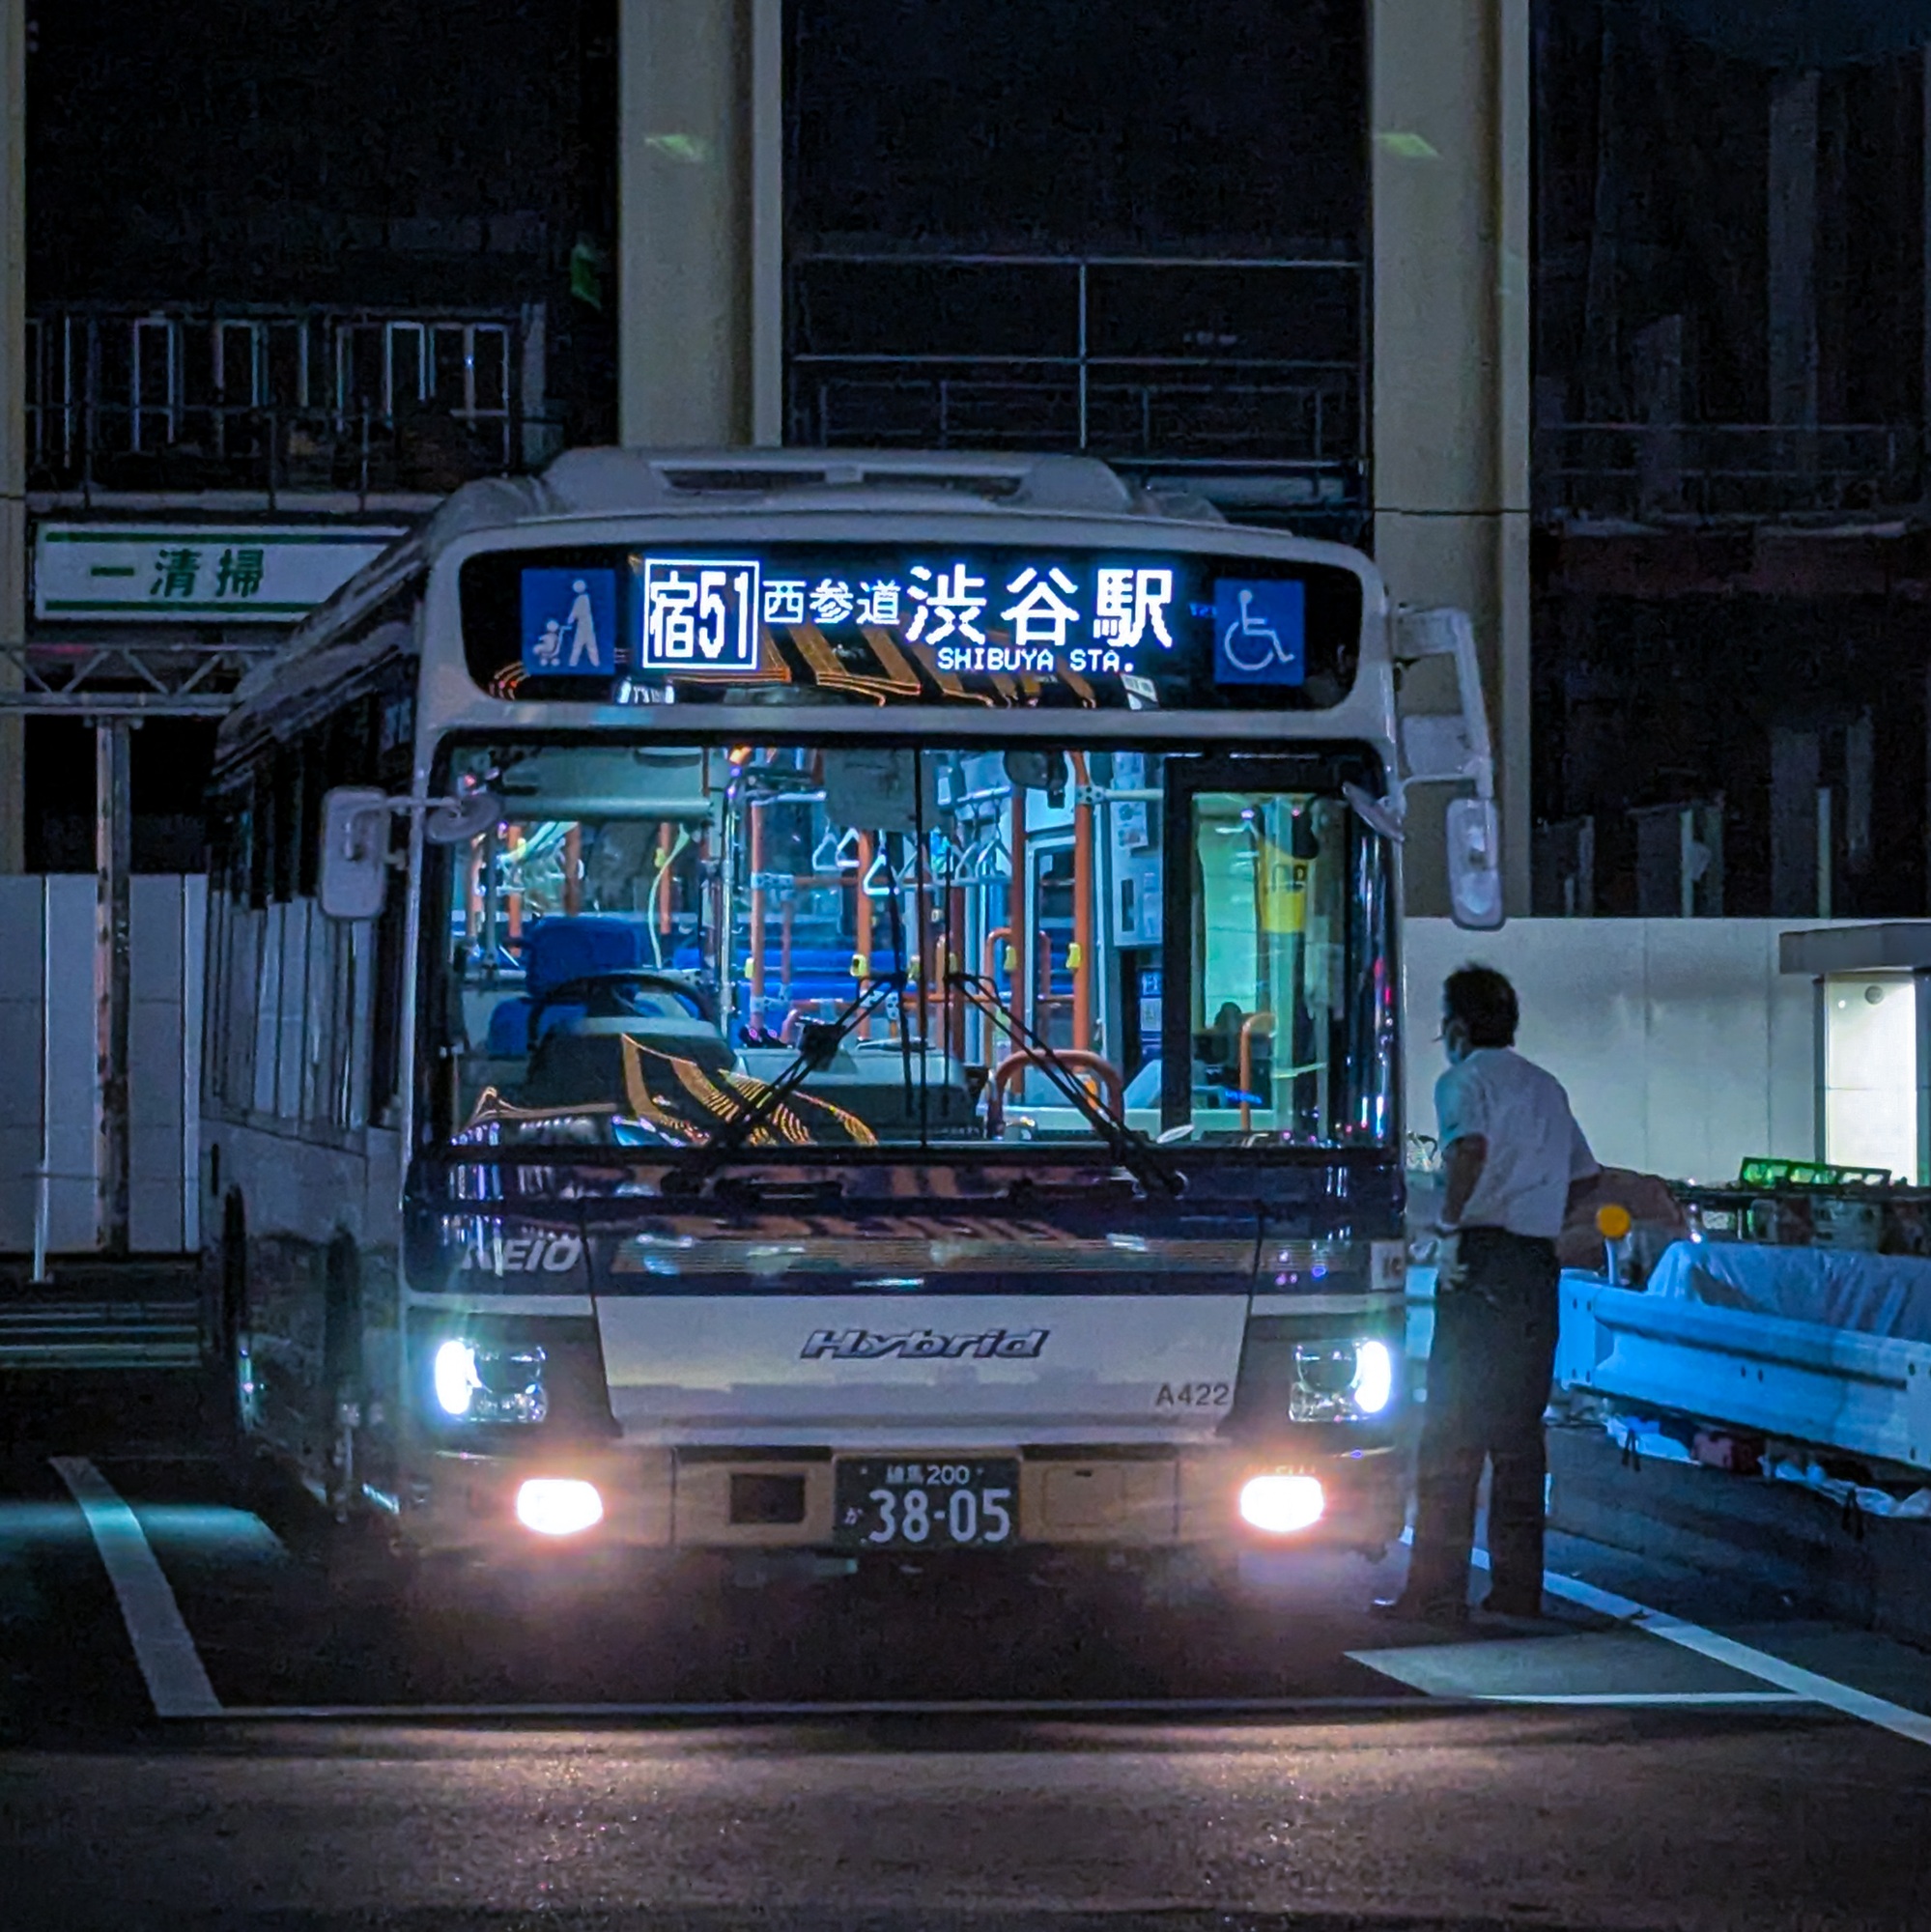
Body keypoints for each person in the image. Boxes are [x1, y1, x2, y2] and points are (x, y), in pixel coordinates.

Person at [1375, 964, 1600, 1627]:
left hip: (1480, 1260)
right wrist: (1541, 1210)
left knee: (1450, 1432)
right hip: (1534, 1265)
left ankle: (1435, 1593)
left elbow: (1467, 1149)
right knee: (1519, 1436)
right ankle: (1516, 1590)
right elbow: (1584, 1176)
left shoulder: (1463, 1081)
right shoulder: (1546, 1086)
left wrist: (1450, 1226)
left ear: (1456, 1027)